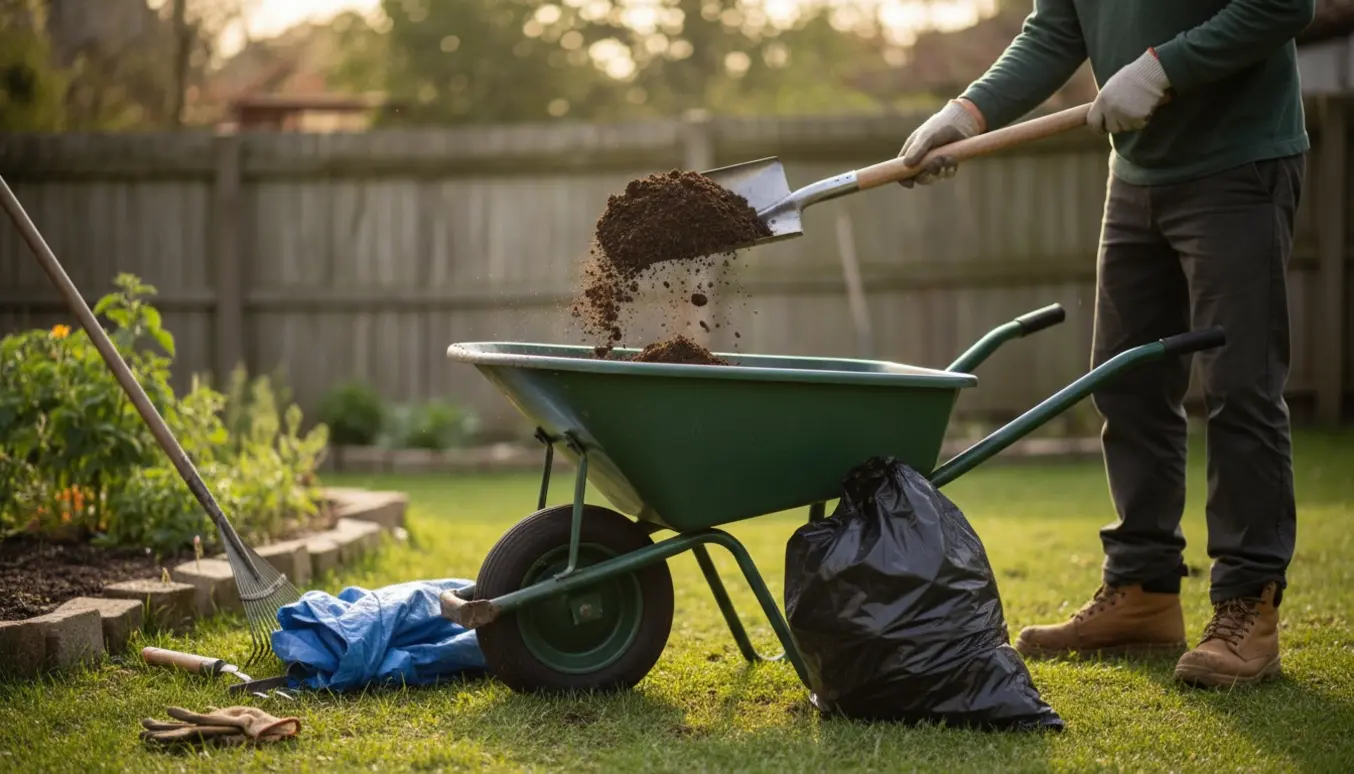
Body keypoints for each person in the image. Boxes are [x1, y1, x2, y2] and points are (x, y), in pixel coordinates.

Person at [897, 0, 1315, 688]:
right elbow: (1057, 28)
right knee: (1126, 387)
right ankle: (1144, 591)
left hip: (1237, 165)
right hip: (1137, 174)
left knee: (1240, 386)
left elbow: (1281, 6)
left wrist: (1165, 68)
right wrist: (968, 113)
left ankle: (1249, 607)